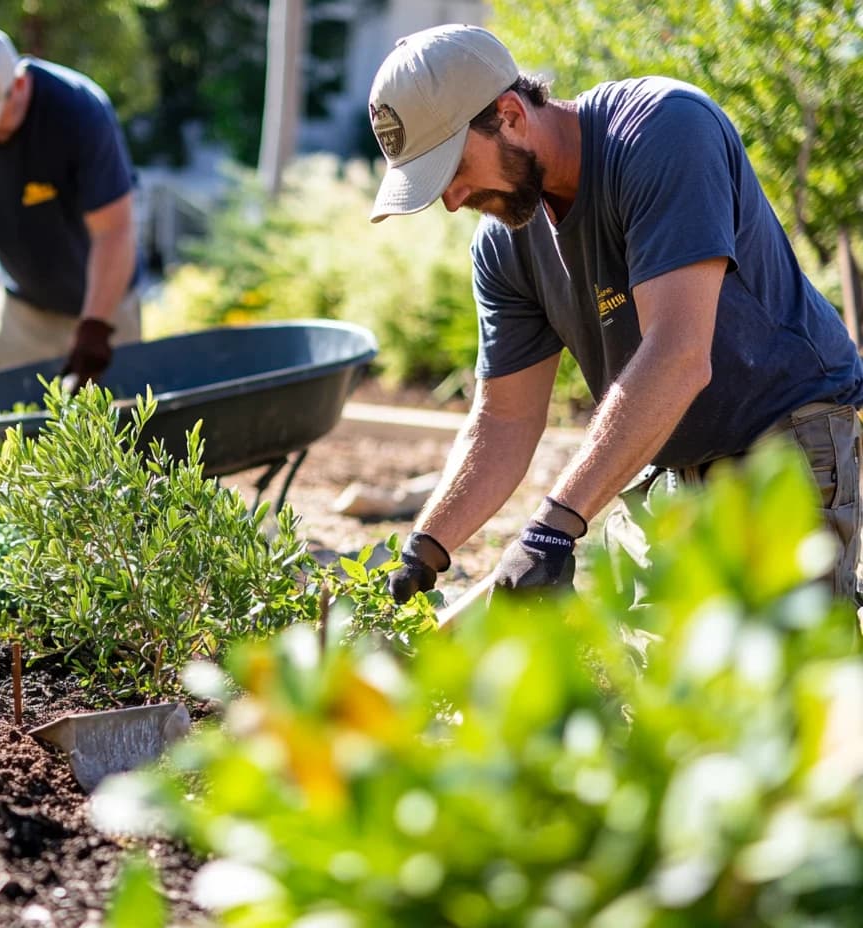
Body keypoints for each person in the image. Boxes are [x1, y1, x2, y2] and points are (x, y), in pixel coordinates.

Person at [370, 24, 863, 608]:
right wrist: (425, 550)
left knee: (783, 683)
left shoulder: (663, 132)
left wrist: (554, 525)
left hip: (782, 437)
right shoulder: (503, 246)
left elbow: (677, 357)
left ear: (509, 114)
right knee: (660, 690)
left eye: (452, 170)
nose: (451, 200)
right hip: (668, 461)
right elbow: (504, 420)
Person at [0, 23, 141, 397]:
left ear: (18, 85)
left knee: (120, 443)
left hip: (108, 303)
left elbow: (114, 230)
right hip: (22, 307)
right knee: (12, 440)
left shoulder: (80, 110)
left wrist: (96, 327)